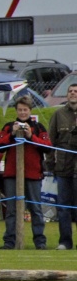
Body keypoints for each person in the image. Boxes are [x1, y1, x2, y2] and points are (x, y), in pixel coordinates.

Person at [0, 95, 50, 249]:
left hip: (33, 174)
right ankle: (9, 241)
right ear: (16, 111)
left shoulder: (38, 127)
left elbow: (48, 147)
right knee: (11, 209)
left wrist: (31, 136)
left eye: (25, 110)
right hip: (12, 174)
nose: (22, 113)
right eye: (20, 110)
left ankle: (40, 241)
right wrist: (12, 134)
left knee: (36, 209)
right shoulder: (8, 126)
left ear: (30, 111)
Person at [47, 84, 77, 250]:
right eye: (70, 91)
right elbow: (51, 141)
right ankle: (65, 241)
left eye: (76, 91)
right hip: (63, 166)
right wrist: (50, 164)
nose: (73, 93)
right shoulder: (58, 114)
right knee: (63, 207)